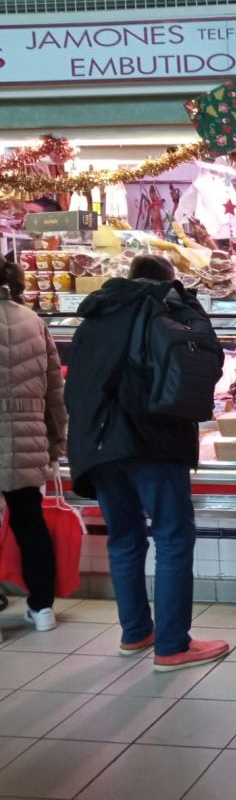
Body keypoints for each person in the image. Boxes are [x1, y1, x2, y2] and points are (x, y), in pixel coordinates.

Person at [65, 255, 229, 671]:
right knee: (173, 538)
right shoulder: (166, 309)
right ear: (166, 280)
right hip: (152, 440)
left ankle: (136, 632)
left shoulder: (95, 315)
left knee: (124, 538)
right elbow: (203, 364)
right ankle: (173, 644)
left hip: (97, 444)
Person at [0, 261, 66, 634]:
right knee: (30, 524)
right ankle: (42, 610)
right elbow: (54, 389)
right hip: (28, 434)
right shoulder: (32, 320)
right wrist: (56, 441)